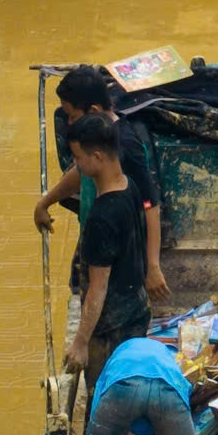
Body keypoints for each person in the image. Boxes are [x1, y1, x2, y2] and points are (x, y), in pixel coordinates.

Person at [34, 64, 168, 306]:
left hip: (118, 247)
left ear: (94, 110)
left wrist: (153, 267)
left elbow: (150, 204)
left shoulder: (126, 145)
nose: (71, 125)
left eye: (73, 117)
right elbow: (79, 172)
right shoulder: (92, 139)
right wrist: (46, 202)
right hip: (93, 231)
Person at [63, 114, 151, 381]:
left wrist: (80, 342)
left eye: (78, 158)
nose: (75, 164)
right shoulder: (129, 186)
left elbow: (98, 288)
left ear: (98, 157)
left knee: (105, 396)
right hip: (137, 309)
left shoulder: (102, 217)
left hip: (112, 328)